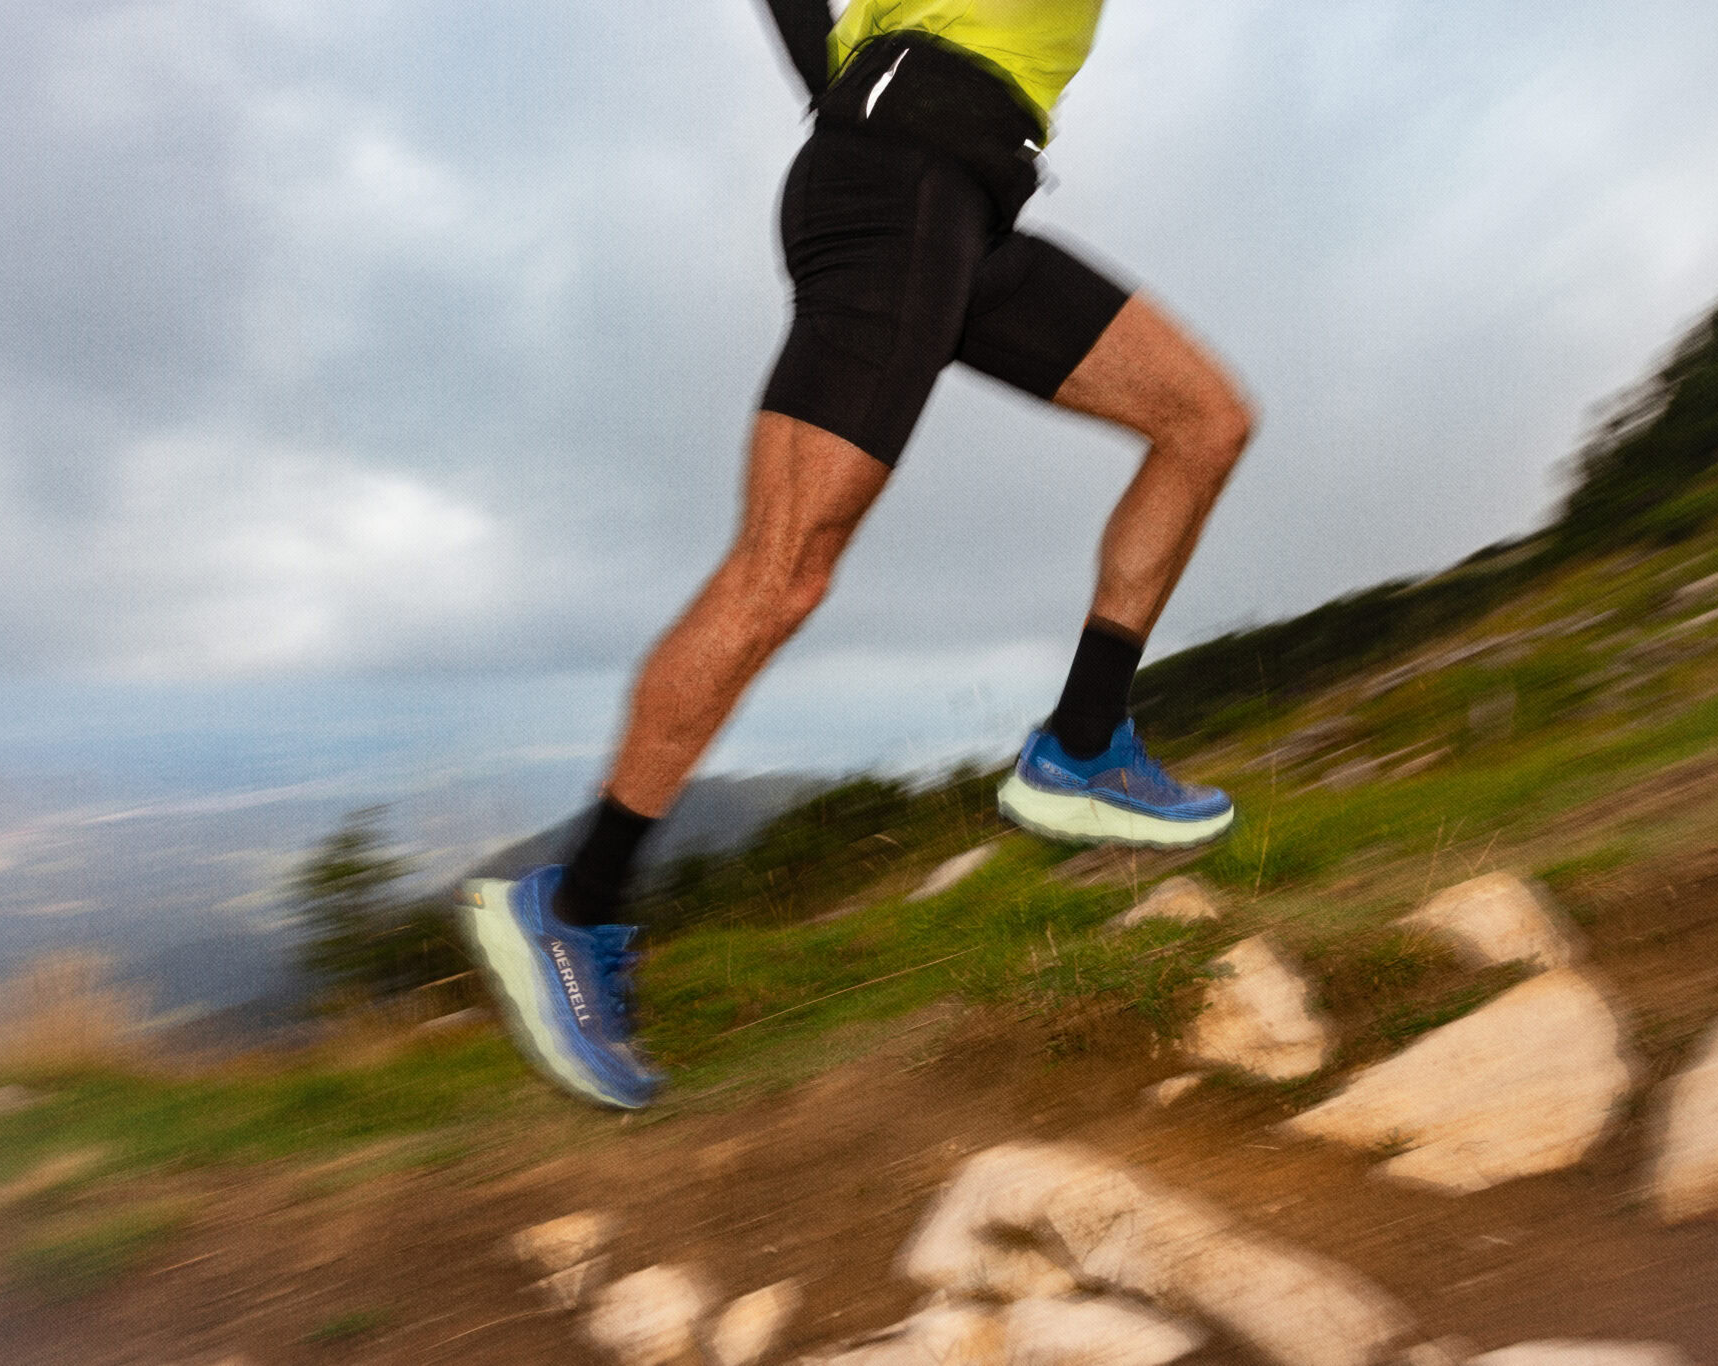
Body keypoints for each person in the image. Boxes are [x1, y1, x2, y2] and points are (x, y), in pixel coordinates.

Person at [461, 0, 1256, 1109]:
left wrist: (851, 110)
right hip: (906, 182)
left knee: (1204, 421)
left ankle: (1081, 747)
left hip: (961, 203)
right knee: (782, 571)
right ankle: (571, 905)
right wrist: (864, 125)